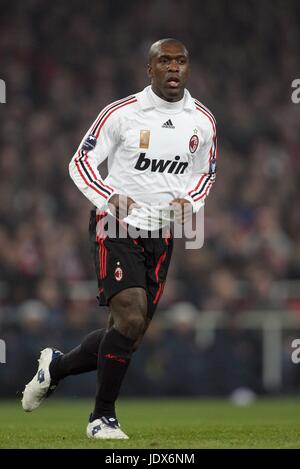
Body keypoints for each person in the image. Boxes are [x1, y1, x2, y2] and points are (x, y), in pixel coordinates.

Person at [21, 38, 218, 440]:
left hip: (162, 232)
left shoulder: (202, 120)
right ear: (150, 69)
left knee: (130, 332)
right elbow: (81, 161)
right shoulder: (121, 114)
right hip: (115, 225)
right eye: (164, 61)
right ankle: (102, 418)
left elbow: (206, 172)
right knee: (129, 316)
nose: (174, 68)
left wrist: (191, 201)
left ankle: (54, 368)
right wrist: (108, 196)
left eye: (181, 61)